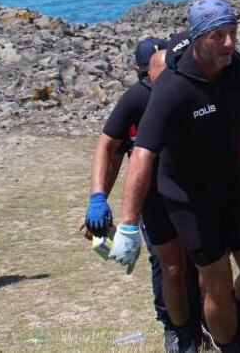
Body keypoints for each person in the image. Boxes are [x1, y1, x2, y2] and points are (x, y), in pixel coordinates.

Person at [111, 0, 240, 353]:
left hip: (234, 187)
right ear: (199, 39)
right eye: (219, 36)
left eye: (232, 33)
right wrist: (127, 223)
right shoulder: (172, 87)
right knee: (215, 281)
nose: (229, 43)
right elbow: (142, 154)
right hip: (189, 200)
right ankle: (229, 341)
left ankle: (224, 315)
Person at [82, 38, 208, 352]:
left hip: (191, 192)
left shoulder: (185, 91)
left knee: (199, 260)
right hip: (152, 198)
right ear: (143, 72)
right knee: (167, 265)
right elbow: (109, 150)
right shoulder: (137, 99)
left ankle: (199, 324)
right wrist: (98, 199)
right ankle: (175, 329)